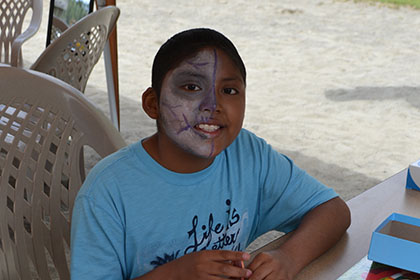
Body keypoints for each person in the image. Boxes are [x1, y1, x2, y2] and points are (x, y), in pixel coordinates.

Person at [70, 28, 351, 280]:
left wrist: (289, 258)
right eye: (192, 87)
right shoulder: (106, 192)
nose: (213, 104)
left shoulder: (248, 155)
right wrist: (177, 274)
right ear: (152, 104)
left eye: (229, 90)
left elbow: (333, 210)